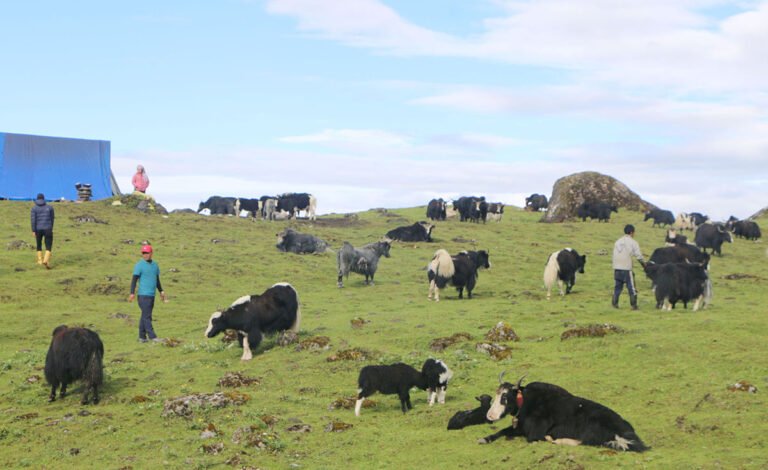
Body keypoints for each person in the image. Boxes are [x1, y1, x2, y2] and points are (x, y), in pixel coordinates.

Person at [128, 244, 167, 342]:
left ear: (151, 253)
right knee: (147, 316)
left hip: (151, 295)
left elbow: (157, 280)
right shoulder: (139, 265)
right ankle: (153, 336)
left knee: (144, 315)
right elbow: (134, 279)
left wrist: (161, 291)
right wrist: (132, 293)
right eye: (143, 253)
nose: (145, 255)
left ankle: (142, 337)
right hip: (143, 295)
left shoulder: (155, 265)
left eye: (147, 253)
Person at [612, 224, 646, 310]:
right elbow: (639, 256)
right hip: (626, 268)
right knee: (631, 287)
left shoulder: (617, 241)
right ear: (631, 232)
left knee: (617, 287)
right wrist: (644, 265)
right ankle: (633, 305)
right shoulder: (633, 242)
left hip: (616, 268)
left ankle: (614, 304)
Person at [31, 193, 55, 269]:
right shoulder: (50, 208)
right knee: (48, 245)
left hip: (38, 229)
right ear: (44, 199)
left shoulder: (34, 208)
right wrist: (51, 227)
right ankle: (46, 260)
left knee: (38, 244)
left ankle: (40, 261)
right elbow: (52, 219)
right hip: (48, 228)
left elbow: (33, 220)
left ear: (37, 199)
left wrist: (33, 230)